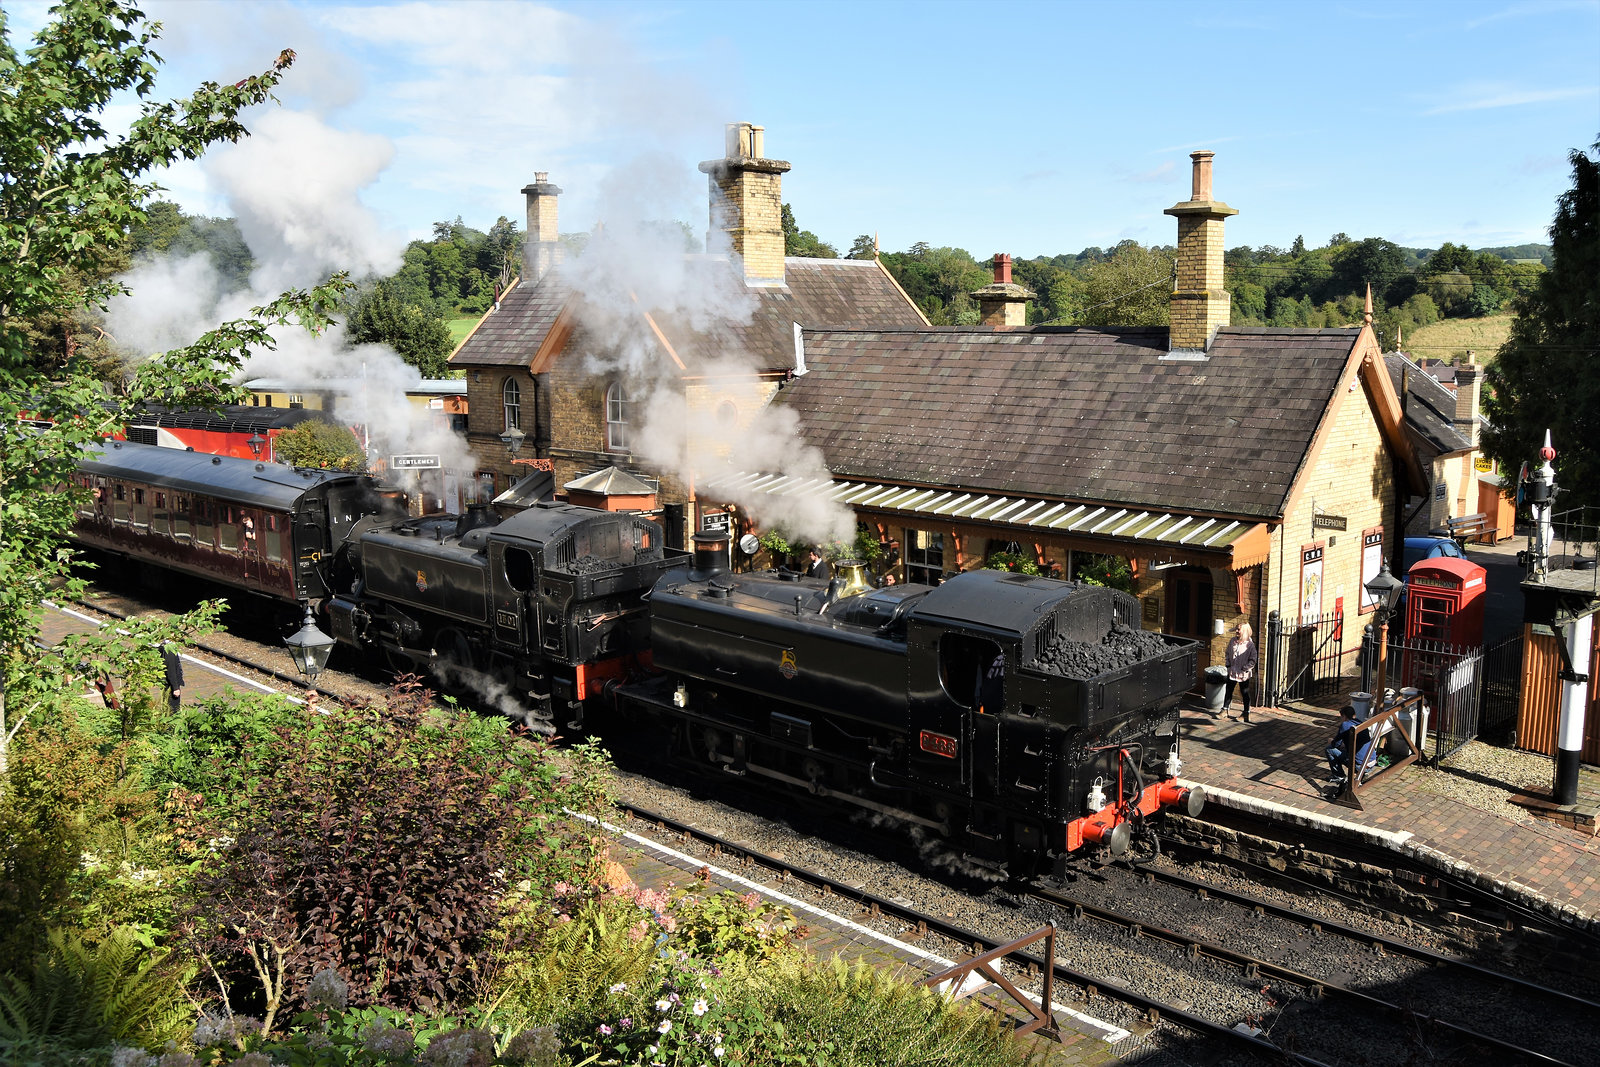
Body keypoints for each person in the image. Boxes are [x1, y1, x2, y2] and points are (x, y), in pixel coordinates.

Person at [1224, 622, 1257, 722]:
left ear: (1245, 631)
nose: (1237, 631)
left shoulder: (1250, 645)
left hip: (1243, 673)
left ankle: (1246, 713)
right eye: (1236, 629)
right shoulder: (1232, 641)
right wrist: (1228, 665)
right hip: (1232, 671)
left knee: (1244, 692)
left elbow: (1253, 660)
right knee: (1229, 690)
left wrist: (1245, 668)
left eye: (1239, 629)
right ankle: (1224, 710)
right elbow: (1227, 653)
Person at [161, 642, 184, 715]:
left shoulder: (163, 646)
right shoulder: (170, 651)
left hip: (168, 683)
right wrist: (175, 688)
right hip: (171, 685)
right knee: (173, 708)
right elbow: (171, 671)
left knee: (168, 705)